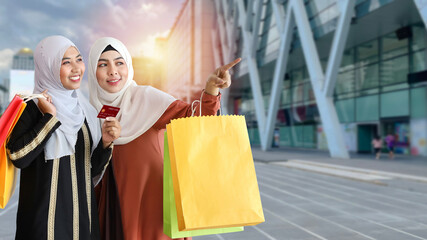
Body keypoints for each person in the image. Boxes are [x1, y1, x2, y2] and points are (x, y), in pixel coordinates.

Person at [88, 37, 240, 240]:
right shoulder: (89, 112)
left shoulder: (147, 98)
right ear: (92, 71)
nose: (113, 71)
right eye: (102, 64)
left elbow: (192, 118)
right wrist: (105, 143)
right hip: (112, 202)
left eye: (119, 62)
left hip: (155, 199)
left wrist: (211, 89)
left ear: (128, 66)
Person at [6, 36, 121, 240]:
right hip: (44, 225)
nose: (76, 68)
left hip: (82, 222)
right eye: (66, 62)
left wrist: (104, 143)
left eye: (78, 59)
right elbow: (18, 156)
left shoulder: (85, 112)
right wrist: (49, 118)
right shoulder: (32, 107)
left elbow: (89, 171)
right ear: (48, 67)